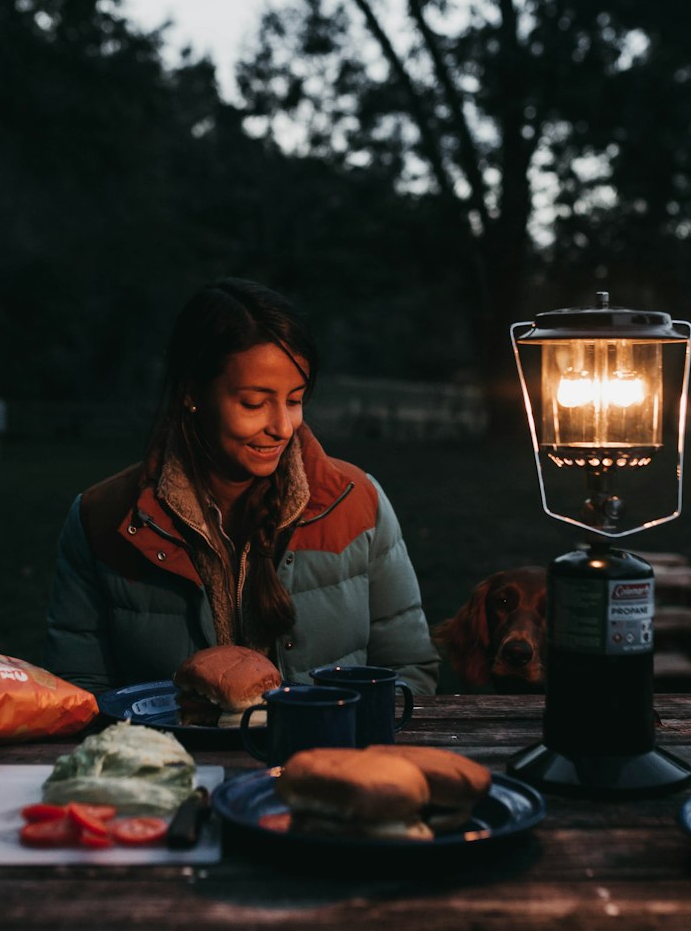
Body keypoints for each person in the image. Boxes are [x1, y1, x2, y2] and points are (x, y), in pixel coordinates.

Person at [43, 276, 439, 697]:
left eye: (295, 400)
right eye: (253, 403)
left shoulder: (357, 503)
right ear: (192, 393)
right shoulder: (102, 518)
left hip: (321, 758)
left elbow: (409, 671)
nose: (281, 427)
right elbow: (79, 691)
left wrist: (328, 729)